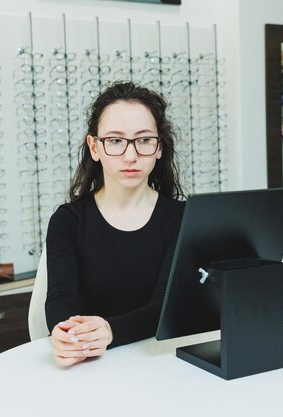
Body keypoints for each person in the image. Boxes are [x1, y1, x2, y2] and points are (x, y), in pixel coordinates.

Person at [45, 81, 185, 367]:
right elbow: (61, 299)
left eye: (144, 140)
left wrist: (110, 331)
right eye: (116, 140)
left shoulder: (181, 218)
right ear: (94, 147)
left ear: (159, 149)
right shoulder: (67, 221)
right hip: (89, 364)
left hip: (160, 363)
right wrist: (65, 334)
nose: (130, 155)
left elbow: (166, 308)